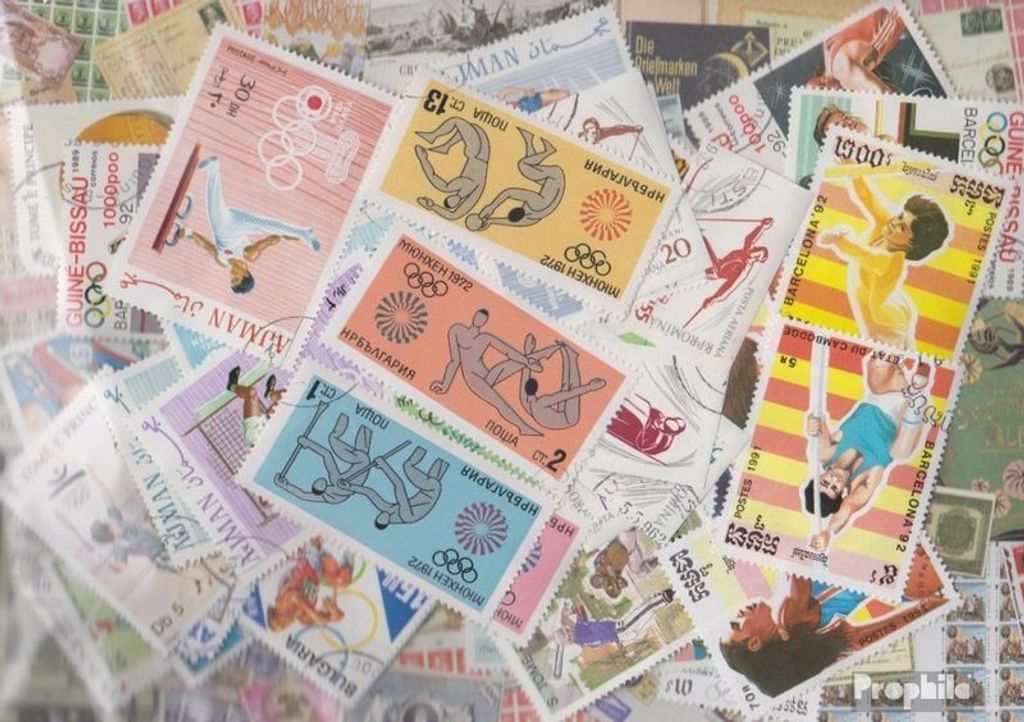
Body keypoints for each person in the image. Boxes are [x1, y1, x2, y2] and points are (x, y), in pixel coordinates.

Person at [719, 576, 946, 697]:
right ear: (755, 643)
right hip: (898, 565)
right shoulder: (786, 612)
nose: (736, 615)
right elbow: (802, 550)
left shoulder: (825, 643)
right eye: (735, 625)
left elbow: (883, 630)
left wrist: (928, 607)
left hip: (910, 584)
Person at [802, 357, 932, 550]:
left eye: (825, 481)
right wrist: (828, 532)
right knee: (901, 452)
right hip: (905, 418)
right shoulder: (861, 483)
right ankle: (918, 393)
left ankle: (916, 384)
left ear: (819, 476)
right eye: (834, 487)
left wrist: (812, 424)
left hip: (885, 393)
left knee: (878, 364)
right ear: (841, 493)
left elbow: (819, 425)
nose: (834, 479)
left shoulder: (826, 454)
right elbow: (848, 508)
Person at [818, 176, 949, 349]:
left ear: (911, 245)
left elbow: (861, 254)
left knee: (885, 363)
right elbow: (869, 198)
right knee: (902, 358)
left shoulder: (891, 261)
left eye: (902, 227)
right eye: (900, 216)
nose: (895, 223)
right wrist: (855, 173)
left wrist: (838, 240)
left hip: (885, 322)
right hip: (894, 304)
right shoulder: (886, 224)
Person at [179, 156, 322, 294]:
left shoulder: (222, 261)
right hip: (239, 225)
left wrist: (188, 233)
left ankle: (213, 166)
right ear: (245, 274)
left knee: (213, 204)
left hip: (223, 223)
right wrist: (284, 236)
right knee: (266, 224)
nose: (231, 276)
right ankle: (303, 233)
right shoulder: (249, 255)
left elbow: (205, 245)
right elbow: (269, 241)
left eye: (231, 280)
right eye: (235, 279)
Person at [431, 309, 545, 436]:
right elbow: (455, 361)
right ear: (474, 315)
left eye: (483, 319)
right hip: (473, 378)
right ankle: (523, 427)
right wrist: (445, 385)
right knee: (499, 402)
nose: (479, 320)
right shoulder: (457, 330)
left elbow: (508, 351)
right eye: (478, 316)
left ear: (485, 322)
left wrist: (525, 361)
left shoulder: (485, 338)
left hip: (487, 375)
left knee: (507, 365)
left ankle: (529, 359)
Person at [466, 128, 565, 231]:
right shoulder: (536, 204)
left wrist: (491, 221)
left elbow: (510, 222)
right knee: (523, 165)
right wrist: (491, 207)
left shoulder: (531, 218)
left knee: (530, 170)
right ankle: (548, 151)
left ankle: (528, 139)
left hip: (550, 182)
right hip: (554, 175)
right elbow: (509, 193)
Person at [682, 218, 772, 329]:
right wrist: (762, 227)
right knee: (701, 239)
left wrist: (713, 299)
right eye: (757, 249)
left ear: (756, 259)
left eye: (757, 254)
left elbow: (728, 290)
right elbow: (750, 239)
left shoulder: (745, 269)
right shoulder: (747, 251)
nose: (755, 251)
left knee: (691, 265)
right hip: (715, 262)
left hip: (712, 271)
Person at [806, 8, 906, 92]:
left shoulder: (843, 72)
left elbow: (885, 94)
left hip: (896, 9)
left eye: (822, 88)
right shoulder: (828, 46)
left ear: (821, 80)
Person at [516, 337, 606, 430]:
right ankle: (572, 358)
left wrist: (528, 350)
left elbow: (526, 369)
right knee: (570, 388)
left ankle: (567, 355)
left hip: (559, 416)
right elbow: (567, 394)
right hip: (569, 419)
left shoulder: (525, 401)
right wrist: (590, 387)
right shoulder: (541, 401)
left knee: (565, 386)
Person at [266, 538, 353, 631]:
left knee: (335, 569)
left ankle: (320, 544)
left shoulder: (281, 602)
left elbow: (295, 596)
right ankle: (350, 551)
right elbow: (337, 616)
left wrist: (313, 614)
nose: (287, 621)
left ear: (278, 612)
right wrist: (332, 612)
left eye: (282, 619)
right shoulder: (305, 618)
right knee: (344, 580)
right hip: (320, 572)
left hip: (311, 561)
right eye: (284, 625)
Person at [413, 117, 490, 220]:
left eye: (449, 200)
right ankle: (437, 140)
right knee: (459, 123)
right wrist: (432, 206)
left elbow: (432, 177)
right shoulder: (473, 193)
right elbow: (453, 215)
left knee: (464, 125)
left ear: (448, 196)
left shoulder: (451, 187)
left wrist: (422, 158)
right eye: (453, 203)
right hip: (480, 153)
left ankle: (441, 143)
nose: (453, 200)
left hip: (473, 151)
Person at [226, 366, 285, 447]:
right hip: (269, 424)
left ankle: (231, 386)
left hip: (255, 434)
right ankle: (270, 393)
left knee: (250, 392)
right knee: (284, 394)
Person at [497, 86, 571, 113]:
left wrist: (524, 92)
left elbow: (505, 90)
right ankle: (551, 92)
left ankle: (552, 92)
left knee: (565, 95)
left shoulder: (495, 105)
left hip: (528, 103)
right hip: (532, 114)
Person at [578, 117, 643, 145]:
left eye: (594, 128)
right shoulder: (582, 135)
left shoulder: (601, 132)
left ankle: (635, 129)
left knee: (616, 129)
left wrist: (635, 129)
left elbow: (617, 129)